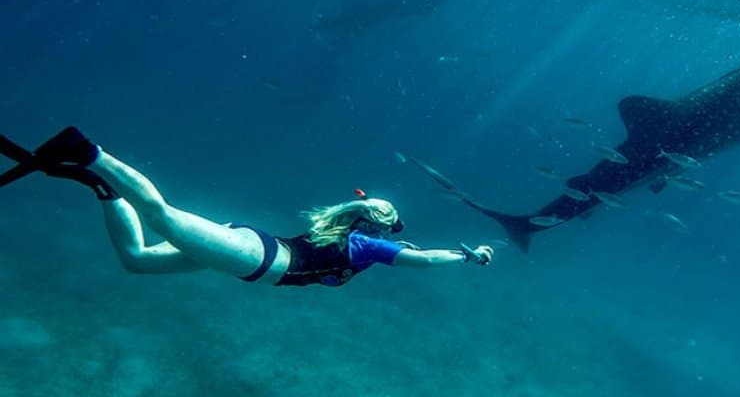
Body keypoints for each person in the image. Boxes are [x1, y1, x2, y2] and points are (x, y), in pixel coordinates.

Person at [0, 127, 494, 287]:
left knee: (138, 260)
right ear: (374, 225)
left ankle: (97, 185)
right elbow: (426, 258)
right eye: (394, 230)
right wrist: (469, 256)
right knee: (162, 216)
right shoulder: (365, 246)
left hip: (251, 246)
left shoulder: (353, 237)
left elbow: (416, 249)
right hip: (253, 258)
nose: (397, 237)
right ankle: (89, 152)